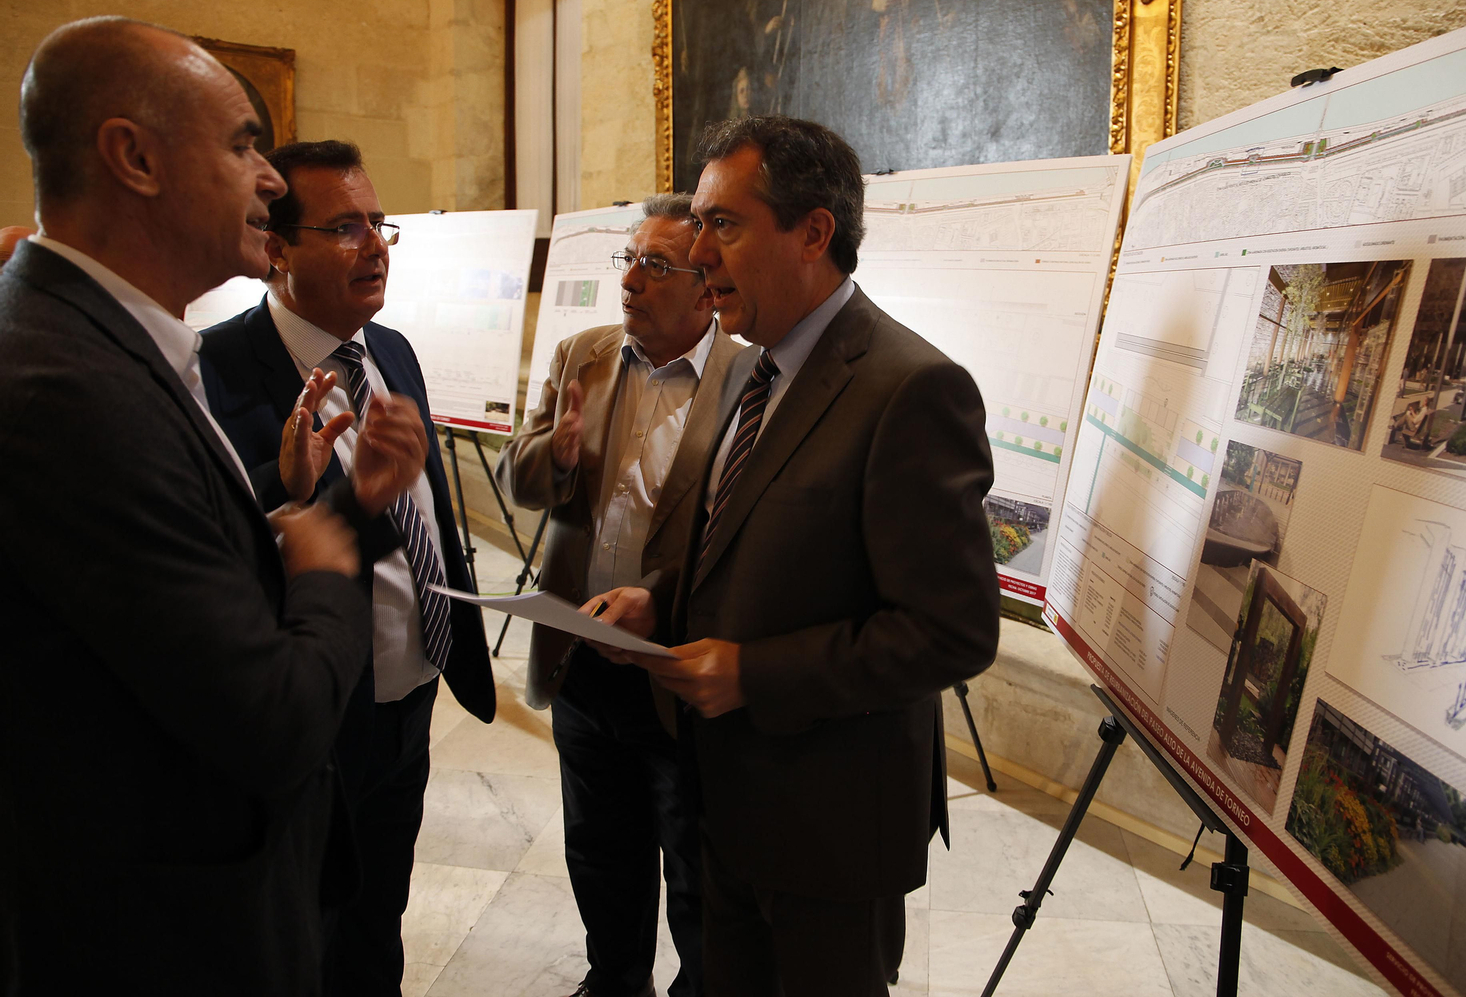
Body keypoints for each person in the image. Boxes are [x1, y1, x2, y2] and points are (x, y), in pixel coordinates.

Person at [0, 17, 428, 994]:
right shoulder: (69, 388)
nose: (270, 180)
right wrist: (321, 546)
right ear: (134, 157)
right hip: (154, 933)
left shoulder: (98, 342)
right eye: (242, 144)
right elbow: (273, 718)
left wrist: (297, 517)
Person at [588, 116, 999, 997]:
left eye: (723, 225)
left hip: (831, 825)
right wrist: (661, 601)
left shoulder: (912, 389)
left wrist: (753, 674)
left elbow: (953, 632)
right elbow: (737, 537)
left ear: (814, 232)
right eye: (698, 223)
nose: (696, 254)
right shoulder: (751, 366)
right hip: (726, 800)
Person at [200, 139, 497, 995]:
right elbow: (221, 545)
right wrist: (285, 484)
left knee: (378, 925)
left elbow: (424, 511)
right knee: (303, 936)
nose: (373, 244)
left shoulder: (390, 349)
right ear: (276, 249)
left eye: (378, 224)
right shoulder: (214, 372)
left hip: (408, 702)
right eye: (343, 227)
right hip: (313, 716)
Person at [495, 192, 743, 997]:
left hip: (674, 666)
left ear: (706, 287)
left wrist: (665, 610)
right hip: (580, 655)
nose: (631, 280)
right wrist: (558, 455)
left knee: (693, 864)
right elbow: (520, 480)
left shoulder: (747, 377)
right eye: (628, 259)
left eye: (656, 265)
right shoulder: (583, 355)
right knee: (600, 849)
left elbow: (744, 545)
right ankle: (614, 981)